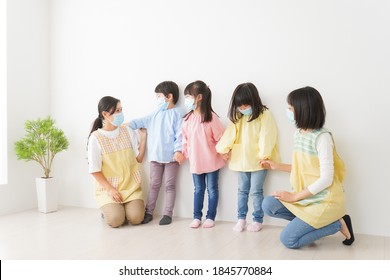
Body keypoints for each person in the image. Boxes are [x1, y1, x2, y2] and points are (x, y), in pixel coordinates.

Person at [261, 86, 355, 249]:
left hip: (322, 200)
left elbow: (326, 179)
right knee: (268, 204)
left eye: (290, 108)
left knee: (288, 240)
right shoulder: (299, 133)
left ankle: (337, 223)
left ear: (303, 110)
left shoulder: (322, 138)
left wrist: (294, 197)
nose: (287, 111)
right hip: (306, 198)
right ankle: (311, 224)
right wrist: (277, 166)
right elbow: (302, 167)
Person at [216, 82, 279, 232]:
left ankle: (257, 219)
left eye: (245, 106)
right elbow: (231, 133)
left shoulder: (264, 114)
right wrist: (223, 149)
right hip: (242, 159)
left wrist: (265, 155)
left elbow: (267, 135)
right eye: (240, 106)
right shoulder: (238, 116)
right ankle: (241, 219)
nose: (243, 109)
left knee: (256, 191)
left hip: (259, 160)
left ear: (254, 101)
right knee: (242, 190)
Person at [130, 81, 184, 225]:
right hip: (155, 157)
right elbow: (142, 120)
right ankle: (149, 212)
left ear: (169, 96)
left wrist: (178, 150)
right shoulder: (155, 114)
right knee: (154, 184)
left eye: (159, 96)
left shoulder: (178, 114)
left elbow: (180, 134)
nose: (157, 99)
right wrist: (128, 124)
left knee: (170, 185)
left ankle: (167, 214)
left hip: (172, 157)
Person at [87, 96, 147, 228]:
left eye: (121, 110)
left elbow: (139, 159)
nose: (121, 114)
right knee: (116, 220)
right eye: (117, 111)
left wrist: (143, 139)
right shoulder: (96, 138)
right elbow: (94, 170)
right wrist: (111, 190)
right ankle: (111, 210)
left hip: (130, 187)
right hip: (109, 189)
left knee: (136, 218)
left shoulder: (127, 131)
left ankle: (124, 208)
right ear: (105, 114)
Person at [181, 81, 226, 229]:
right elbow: (185, 139)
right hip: (196, 162)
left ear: (199, 97)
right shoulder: (187, 119)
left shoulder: (211, 118)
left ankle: (210, 216)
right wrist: (184, 154)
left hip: (212, 161)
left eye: (188, 96)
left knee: (212, 189)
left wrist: (226, 154)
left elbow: (221, 138)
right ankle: (196, 217)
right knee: (198, 189)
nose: (186, 99)